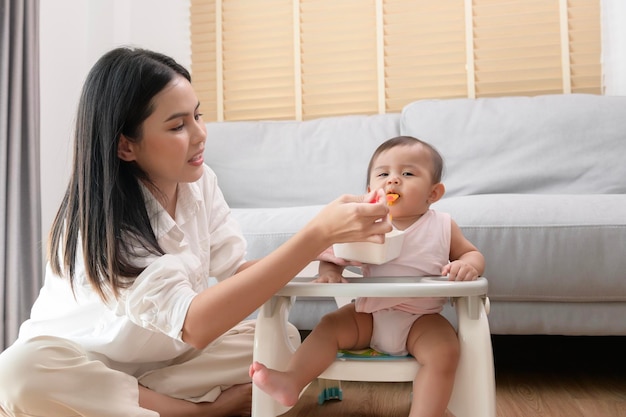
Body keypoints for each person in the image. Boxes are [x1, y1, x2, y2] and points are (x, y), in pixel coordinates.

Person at [0, 47, 392, 417]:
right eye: (178, 125)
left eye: (197, 116)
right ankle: (199, 410)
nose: (200, 134)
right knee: (17, 371)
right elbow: (196, 325)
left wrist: (324, 255)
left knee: (281, 336)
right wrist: (315, 234)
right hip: (82, 360)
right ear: (125, 146)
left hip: (166, 360)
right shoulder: (99, 226)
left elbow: (237, 273)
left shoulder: (199, 184)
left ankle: (129, 402)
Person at [250, 136, 486, 417]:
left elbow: (471, 254)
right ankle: (292, 380)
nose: (393, 181)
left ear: (433, 193)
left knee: (446, 351)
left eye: (407, 173)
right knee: (328, 326)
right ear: (369, 191)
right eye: (383, 174)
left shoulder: (443, 226)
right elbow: (331, 255)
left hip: (421, 320)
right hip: (369, 316)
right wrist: (330, 273)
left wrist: (469, 265)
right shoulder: (365, 226)